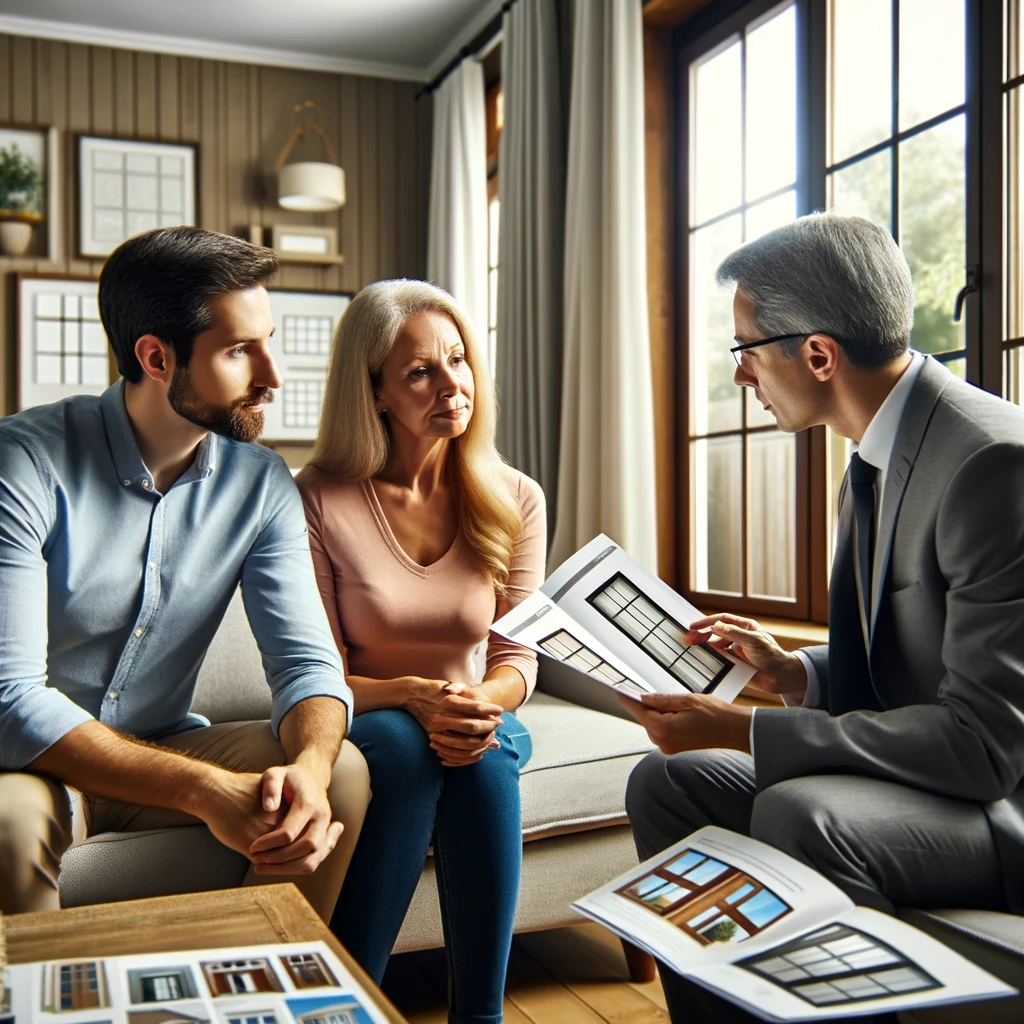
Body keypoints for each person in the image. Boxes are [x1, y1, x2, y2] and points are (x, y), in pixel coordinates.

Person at [622, 213, 1024, 1022]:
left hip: (998, 803)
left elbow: (984, 745)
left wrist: (742, 729)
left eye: (745, 351)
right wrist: (793, 672)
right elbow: (910, 668)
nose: (740, 375)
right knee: (667, 783)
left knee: (798, 813)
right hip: (940, 780)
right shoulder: (873, 457)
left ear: (816, 354)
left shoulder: (988, 464)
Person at [0, 227, 370, 921]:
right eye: (239, 351)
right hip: (30, 766)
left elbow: (307, 664)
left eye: (268, 341)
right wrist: (202, 789)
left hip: (166, 737)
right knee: (7, 822)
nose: (273, 376)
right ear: (156, 357)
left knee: (344, 770)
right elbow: (11, 699)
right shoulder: (22, 465)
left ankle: (261, 991)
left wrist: (311, 770)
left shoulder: (260, 484)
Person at [295, 279, 545, 1023]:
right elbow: (321, 671)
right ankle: (349, 1003)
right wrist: (410, 693)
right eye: (420, 372)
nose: (452, 385)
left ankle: (480, 1017)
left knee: (484, 748)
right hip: (365, 711)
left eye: (459, 361)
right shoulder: (316, 498)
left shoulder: (514, 496)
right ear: (373, 391)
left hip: (475, 714)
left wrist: (479, 705)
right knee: (405, 749)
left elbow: (517, 657)